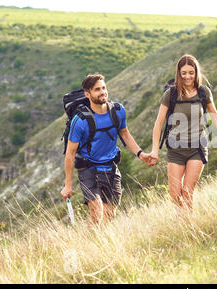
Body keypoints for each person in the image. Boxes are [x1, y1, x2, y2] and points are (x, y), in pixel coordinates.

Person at [146, 54, 217, 211]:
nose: (187, 76)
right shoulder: (171, 94)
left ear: (196, 73)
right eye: (184, 73)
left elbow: (215, 116)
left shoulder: (203, 92)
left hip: (197, 148)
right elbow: (158, 123)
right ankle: (184, 223)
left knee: (188, 193)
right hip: (175, 149)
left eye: (191, 72)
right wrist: (155, 149)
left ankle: (188, 227)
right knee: (175, 196)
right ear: (178, 74)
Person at [60, 73, 151, 224]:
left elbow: (125, 135)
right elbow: (70, 153)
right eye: (97, 89)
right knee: (97, 214)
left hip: (110, 168)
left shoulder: (117, 111)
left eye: (104, 88)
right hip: (88, 169)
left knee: (110, 216)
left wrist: (141, 154)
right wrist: (68, 185)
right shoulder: (80, 120)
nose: (102, 92)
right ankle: (88, 245)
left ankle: (101, 245)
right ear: (87, 94)